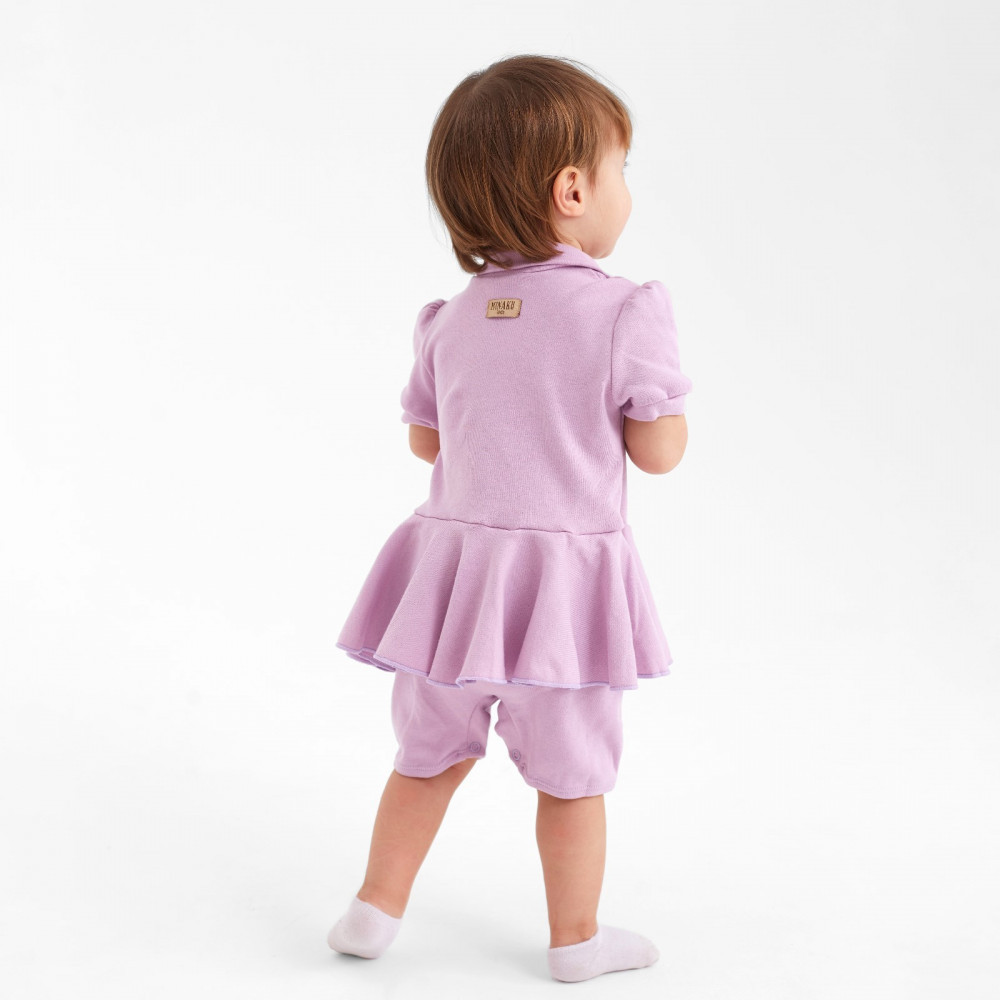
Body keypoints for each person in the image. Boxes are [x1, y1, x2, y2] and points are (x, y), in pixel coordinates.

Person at [328, 54, 693, 983]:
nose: (624, 188)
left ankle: (374, 907)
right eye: (618, 169)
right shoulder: (624, 313)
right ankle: (576, 940)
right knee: (573, 776)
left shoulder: (448, 319)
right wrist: (657, 408)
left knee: (425, 756)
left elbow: (428, 442)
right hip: (560, 600)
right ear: (573, 190)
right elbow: (658, 452)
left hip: (450, 591)